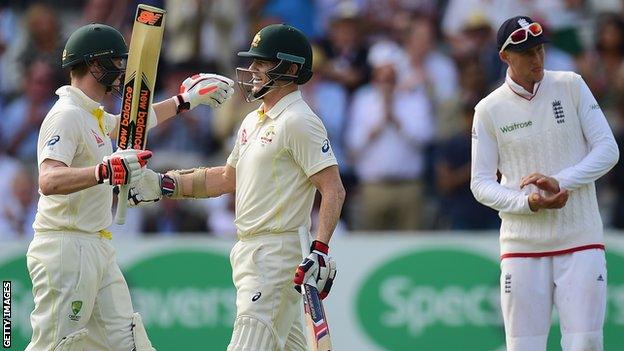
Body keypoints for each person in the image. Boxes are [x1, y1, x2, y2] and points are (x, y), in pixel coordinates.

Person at [129, 24, 346, 351]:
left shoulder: (299, 120)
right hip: (250, 252)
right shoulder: (253, 119)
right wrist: (163, 184)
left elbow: (333, 189)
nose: (254, 71)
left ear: (290, 69)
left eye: (263, 63)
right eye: (254, 63)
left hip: (276, 257)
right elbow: (228, 178)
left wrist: (320, 250)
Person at [27, 23, 234, 350]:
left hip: (96, 245)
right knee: (56, 345)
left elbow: (132, 121)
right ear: (96, 64)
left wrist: (184, 101)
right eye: (117, 62)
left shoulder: (91, 114)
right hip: (65, 247)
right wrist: (104, 171)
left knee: (129, 342)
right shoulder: (66, 115)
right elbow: (49, 180)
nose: (123, 71)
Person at [470, 16, 619, 351]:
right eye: (526, 54)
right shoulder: (488, 109)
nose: (537, 59)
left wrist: (559, 181)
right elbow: (480, 184)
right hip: (522, 245)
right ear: (505, 57)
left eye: (539, 50)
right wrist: (528, 203)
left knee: (586, 345)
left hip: (580, 237)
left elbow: (608, 150)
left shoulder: (571, 84)